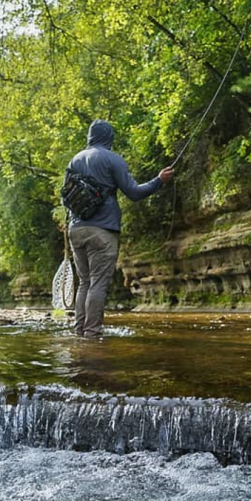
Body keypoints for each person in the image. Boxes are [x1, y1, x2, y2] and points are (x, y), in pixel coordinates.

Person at [66, 119, 174, 337]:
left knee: (85, 282)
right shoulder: (112, 159)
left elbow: (66, 197)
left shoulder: (74, 160)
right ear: (109, 138)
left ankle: (80, 331)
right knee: (97, 283)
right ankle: (93, 332)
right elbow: (134, 193)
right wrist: (159, 181)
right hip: (102, 231)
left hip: (75, 229)